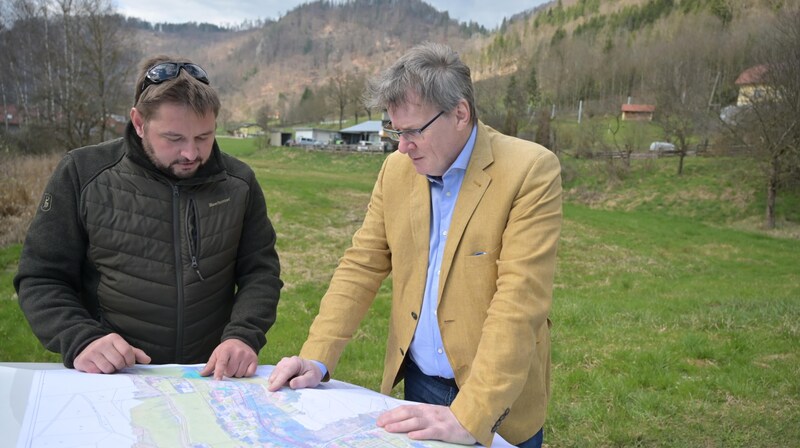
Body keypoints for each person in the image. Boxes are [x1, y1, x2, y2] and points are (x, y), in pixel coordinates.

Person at [268, 42, 562, 447]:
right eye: (394, 131)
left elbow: (520, 301)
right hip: (420, 384)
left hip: (498, 399)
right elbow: (361, 265)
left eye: (413, 132)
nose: (401, 146)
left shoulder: (530, 170)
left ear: (460, 113)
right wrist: (317, 356)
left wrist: (472, 415)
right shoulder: (396, 171)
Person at [14, 56, 283, 380]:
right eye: (174, 138)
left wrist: (244, 335)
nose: (191, 153)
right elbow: (41, 277)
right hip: (113, 377)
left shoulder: (239, 183)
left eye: (204, 137)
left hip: (212, 380)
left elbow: (260, 272)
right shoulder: (82, 173)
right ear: (139, 122)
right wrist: (80, 337)